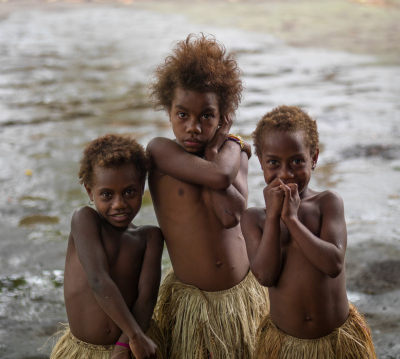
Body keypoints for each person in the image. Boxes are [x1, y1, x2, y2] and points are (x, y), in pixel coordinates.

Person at [146, 33, 269, 359]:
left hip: (240, 296)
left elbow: (231, 216)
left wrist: (218, 149)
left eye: (206, 116)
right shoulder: (160, 153)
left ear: (223, 116)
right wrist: (217, 150)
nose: (193, 128)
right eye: (182, 114)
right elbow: (217, 176)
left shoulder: (233, 151)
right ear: (168, 111)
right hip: (192, 302)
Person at [241, 105, 377, 358]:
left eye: (297, 161)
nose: (285, 173)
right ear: (260, 162)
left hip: (336, 340)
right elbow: (265, 276)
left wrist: (291, 219)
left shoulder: (328, 203)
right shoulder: (254, 218)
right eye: (273, 162)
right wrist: (273, 217)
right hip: (285, 344)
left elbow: (333, 263)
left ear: (313, 159)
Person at [50, 134, 165, 359]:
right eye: (106, 195)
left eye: (129, 192)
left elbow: (146, 297)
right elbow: (98, 280)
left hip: (131, 348)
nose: (119, 203)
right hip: (88, 349)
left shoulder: (150, 237)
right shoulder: (84, 220)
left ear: (142, 187)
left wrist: (125, 345)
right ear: (89, 191)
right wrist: (133, 335)